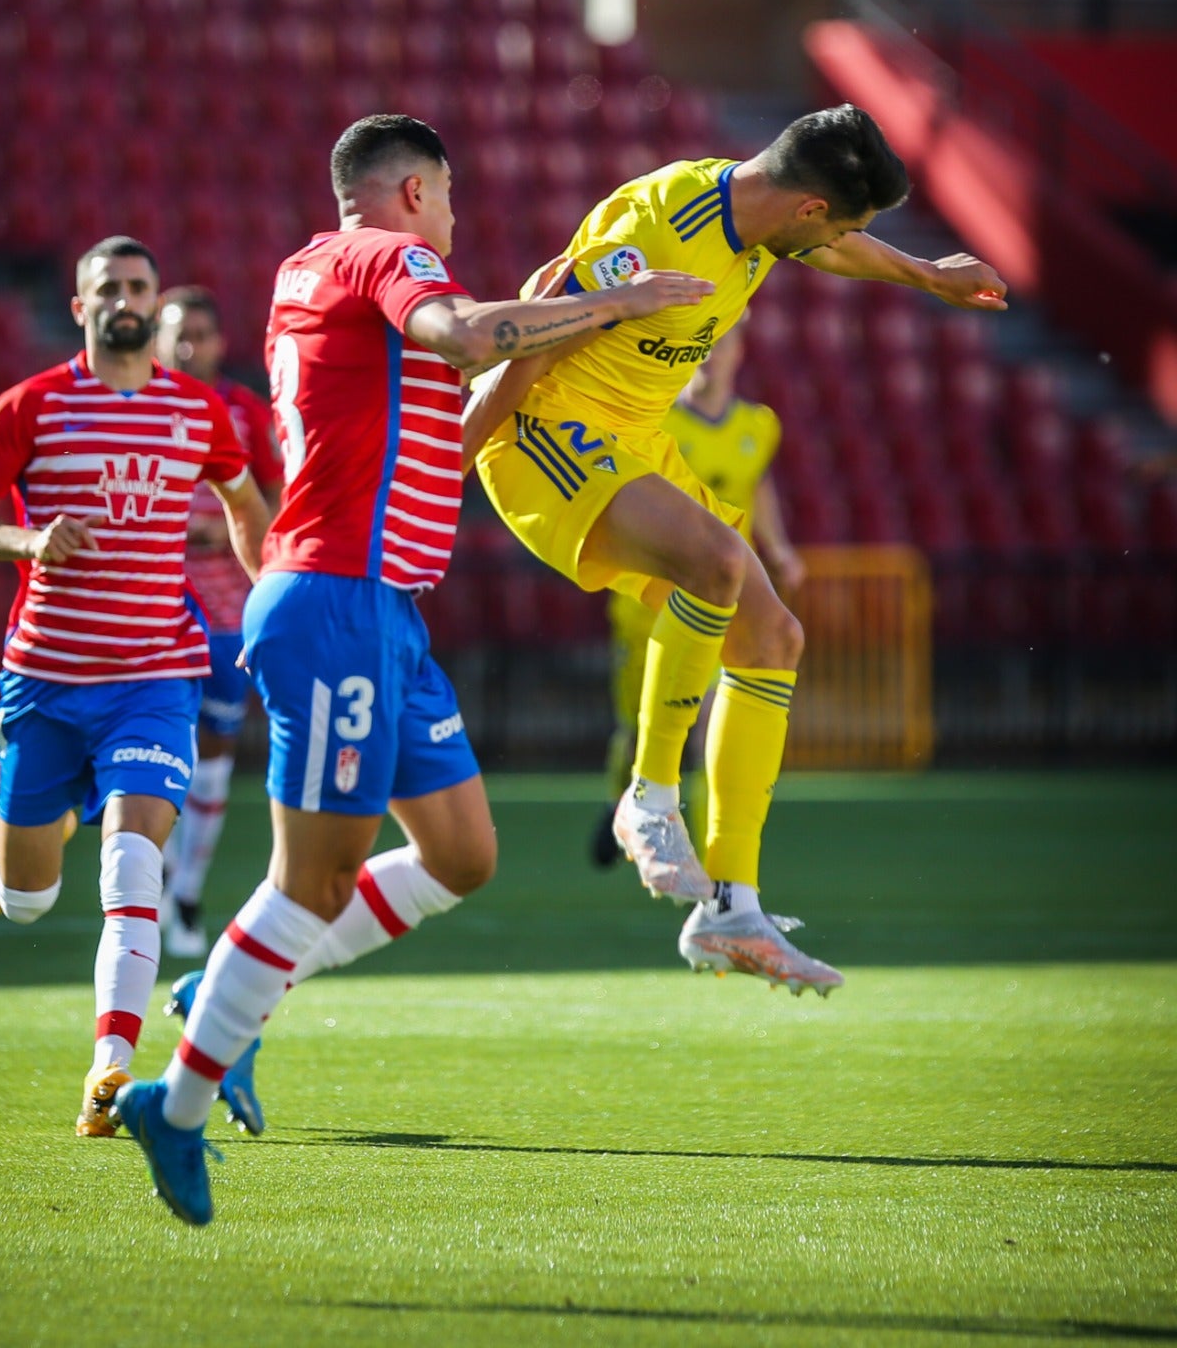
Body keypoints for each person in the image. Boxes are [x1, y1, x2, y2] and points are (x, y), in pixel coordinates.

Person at [113, 113, 715, 1224]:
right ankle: (179, 1097)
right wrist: (616, 304)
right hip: (336, 599)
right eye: (446, 199)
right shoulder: (388, 257)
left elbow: (456, 402)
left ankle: (231, 995)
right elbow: (460, 331)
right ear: (408, 192)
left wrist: (541, 342)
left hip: (378, 610)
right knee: (315, 879)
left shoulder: (315, 276)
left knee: (461, 853)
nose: (452, 221)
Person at [465, 104, 1006, 994]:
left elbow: (836, 249)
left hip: (636, 441)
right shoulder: (657, 227)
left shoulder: (766, 222)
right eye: (845, 221)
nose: (845, 241)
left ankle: (731, 911)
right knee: (717, 564)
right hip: (541, 433)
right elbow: (532, 330)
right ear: (806, 208)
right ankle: (647, 797)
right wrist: (447, 459)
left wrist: (926, 276)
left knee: (773, 637)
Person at [0, 235, 271, 1137]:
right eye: (108, 288)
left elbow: (248, 506)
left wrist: (270, 590)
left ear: (153, 302)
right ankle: (15, 860)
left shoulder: (199, 411)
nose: (125, 299)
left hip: (156, 675)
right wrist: (27, 541)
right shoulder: (33, 406)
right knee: (29, 899)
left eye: (139, 286)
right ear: (81, 306)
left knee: (132, 865)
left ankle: (110, 1071)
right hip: (46, 681)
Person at [591, 310, 805, 867]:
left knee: (711, 719)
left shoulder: (758, 426)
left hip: (718, 599)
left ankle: (716, 851)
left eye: (724, 341)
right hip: (647, 602)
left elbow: (756, 489)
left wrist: (777, 549)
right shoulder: (657, 421)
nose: (712, 353)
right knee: (641, 725)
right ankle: (620, 800)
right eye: (703, 343)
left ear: (739, 351)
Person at [155, 286, 284, 959]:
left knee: (214, 754)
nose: (186, 347)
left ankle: (186, 886)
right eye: (176, 334)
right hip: (155, 599)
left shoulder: (243, 412)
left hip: (228, 602)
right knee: (154, 736)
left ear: (218, 343)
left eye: (199, 334)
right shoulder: (137, 407)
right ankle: (156, 879)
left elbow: (274, 491)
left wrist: (233, 535)